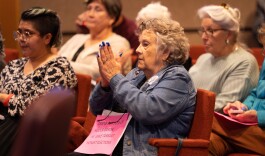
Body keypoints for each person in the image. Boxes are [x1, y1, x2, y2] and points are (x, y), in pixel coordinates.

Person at [89, 18, 196, 155]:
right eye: (139, 43)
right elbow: (97, 109)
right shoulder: (136, 74)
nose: (138, 50)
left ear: (165, 52)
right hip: (109, 147)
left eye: (145, 44)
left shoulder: (178, 78)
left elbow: (146, 110)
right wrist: (105, 85)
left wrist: (115, 77)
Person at [0, 7, 77, 155]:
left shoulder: (59, 67)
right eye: (19, 32)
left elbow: (37, 110)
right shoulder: (14, 65)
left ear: (47, 38)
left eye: (27, 34)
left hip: (28, 134)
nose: (21, 38)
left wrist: (4, 98)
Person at [208, 12, 265, 156]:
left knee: (209, 121)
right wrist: (243, 106)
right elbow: (256, 92)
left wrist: (259, 116)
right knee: (209, 143)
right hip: (251, 127)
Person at [189, 3, 259, 112]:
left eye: (210, 31)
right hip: (190, 118)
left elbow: (223, 105)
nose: (203, 37)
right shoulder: (203, 58)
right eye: (202, 30)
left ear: (229, 34)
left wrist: (182, 111)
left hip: (216, 126)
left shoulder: (245, 62)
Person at [59, 0, 131, 84]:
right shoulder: (77, 38)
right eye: (89, 9)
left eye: (98, 9)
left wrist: (60, 64)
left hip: (94, 94)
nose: (90, 14)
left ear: (112, 18)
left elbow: (98, 72)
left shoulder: (118, 42)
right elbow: (55, 59)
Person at [135, 1, 192, 70]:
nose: (140, 34)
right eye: (140, 29)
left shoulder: (177, 69)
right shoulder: (142, 58)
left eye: (146, 28)